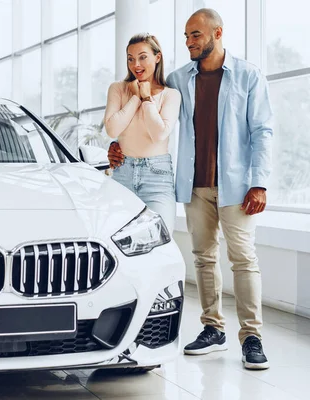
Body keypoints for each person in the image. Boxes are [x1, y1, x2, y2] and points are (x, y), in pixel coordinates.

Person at [107, 8, 273, 370]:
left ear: (217, 33)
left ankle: (252, 337)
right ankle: (213, 328)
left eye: (195, 35)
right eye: (185, 36)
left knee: (243, 259)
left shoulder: (248, 76)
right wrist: (120, 145)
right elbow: (151, 114)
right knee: (203, 257)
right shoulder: (181, 78)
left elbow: (262, 131)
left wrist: (259, 182)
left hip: (238, 185)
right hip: (194, 184)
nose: (188, 42)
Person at [103, 33, 181, 233]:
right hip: (122, 174)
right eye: (130, 58)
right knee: (118, 242)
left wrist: (146, 97)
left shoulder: (171, 94)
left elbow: (159, 134)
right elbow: (112, 128)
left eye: (142, 57)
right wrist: (135, 97)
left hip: (157, 178)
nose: (136, 64)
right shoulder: (118, 89)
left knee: (160, 240)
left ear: (157, 57)